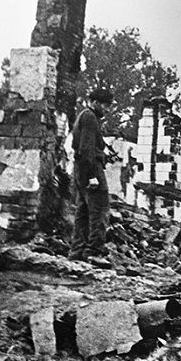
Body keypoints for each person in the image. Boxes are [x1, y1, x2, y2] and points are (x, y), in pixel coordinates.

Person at [68, 87, 114, 262]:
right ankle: (94, 251)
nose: (108, 109)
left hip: (82, 169)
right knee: (100, 210)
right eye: (106, 105)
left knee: (83, 211)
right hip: (90, 168)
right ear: (95, 103)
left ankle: (77, 251)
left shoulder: (85, 116)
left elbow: (87, 147)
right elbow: (86, 149)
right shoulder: (89, 117)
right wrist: (93, 176)